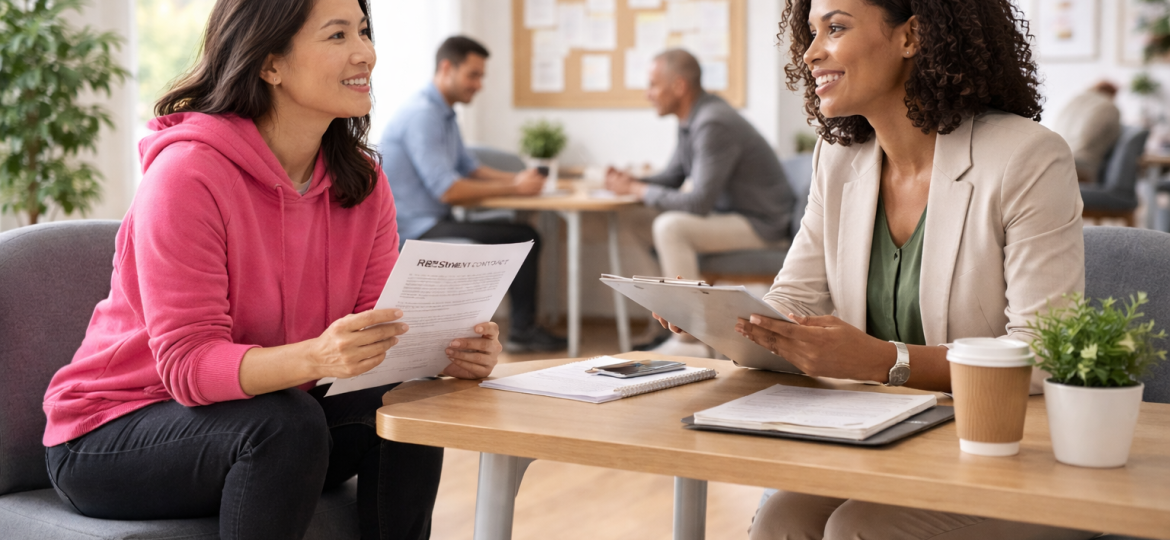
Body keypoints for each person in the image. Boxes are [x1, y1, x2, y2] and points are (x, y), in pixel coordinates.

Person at [41, 1, 503, 539]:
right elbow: (188, 368)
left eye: (363, 31)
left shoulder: (364, 182)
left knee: (402, 402)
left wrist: (448, 352)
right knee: (284, 424)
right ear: (270, 63)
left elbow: (379, 337)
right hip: (112, 434)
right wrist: (318, 355)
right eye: (336, 36)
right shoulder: (187, 176)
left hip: (275, 416)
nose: (366, 54)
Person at [655, 0, 1095, 538]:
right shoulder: (838, 159)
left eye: (835, 28)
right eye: (811, 32)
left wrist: (888, 361)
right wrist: (716, 314)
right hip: (886, 435)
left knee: (859, 528)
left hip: (1009, 448)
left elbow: (1042, 352)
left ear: (911, 37)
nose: (812, 52)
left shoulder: (1028, 157)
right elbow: (797, 297)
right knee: (781, 518)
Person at [605, 48, 796, 357]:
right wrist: (630, 183)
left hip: (762, 223)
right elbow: (672, 175)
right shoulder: (692, 119)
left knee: (670, 227)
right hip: (732, 216)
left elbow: (698, 203)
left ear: (679, 86)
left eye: (653, 84)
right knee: (637, 219)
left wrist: (639, 190)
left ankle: (692, 335)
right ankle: (669, 316)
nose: (647, 94)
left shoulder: (712, 123)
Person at [380, 36, 564, 354]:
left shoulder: (444, 114)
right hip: (415, 229)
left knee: (519, 231)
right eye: (473, 75)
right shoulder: (423, 115)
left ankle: (522, 329)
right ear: (447, 68)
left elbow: (470, 167)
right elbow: (449, 189)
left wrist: (520, 179)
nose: (478, 85)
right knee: (524, 236)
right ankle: (522, 330)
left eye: (481, 76)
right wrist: (514, 188)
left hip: (436, 220)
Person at [1052, 81, 1122, 184]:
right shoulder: (1110, 107)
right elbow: (1114, 138)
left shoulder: (1074, 100)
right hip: (1082, 165)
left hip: (1055, 156)